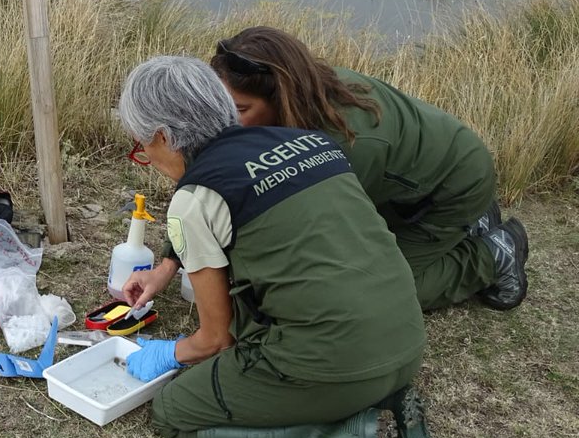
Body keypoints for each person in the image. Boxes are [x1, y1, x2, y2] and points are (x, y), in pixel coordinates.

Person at [117, 55, 430, 438]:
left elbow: (214, 340)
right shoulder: (306, 142)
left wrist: (164, 353)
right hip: (406, 341)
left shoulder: (193, 198)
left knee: (174, 412)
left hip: (336, 359)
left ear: (161, 135)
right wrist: (164, 269)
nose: (147, 158)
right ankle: (377, 395)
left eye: (141, 146)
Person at [208, 26, 529, 312]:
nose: (229, 122)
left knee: (377, 290)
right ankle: (470, 224)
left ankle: (492, 255)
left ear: (281, 96)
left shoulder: (342, 146)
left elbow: (317, 234)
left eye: (240, 109)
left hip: (453, 188)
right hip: (417, 173)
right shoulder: (305, 87)